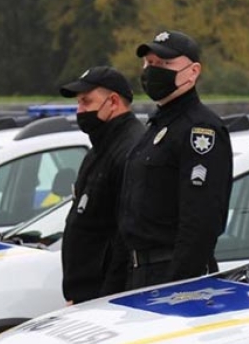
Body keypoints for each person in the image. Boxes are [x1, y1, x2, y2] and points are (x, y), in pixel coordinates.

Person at [118, 30, 232, 289]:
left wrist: (176, 289)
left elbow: (199, 224)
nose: (153, 70)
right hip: (139, 273)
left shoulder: (200, 129)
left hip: (171, 275)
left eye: (165, 64)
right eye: (150, 63)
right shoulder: (158, 125)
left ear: (192, 72)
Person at [58, 66, 145, 304]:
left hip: (105, 296)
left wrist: (107, 298)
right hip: (87, 292)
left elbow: (124, 238)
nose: (80, 111)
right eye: (78, 103)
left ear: (113, 102)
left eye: (86, 102)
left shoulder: (129, 149)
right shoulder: (101, 148)